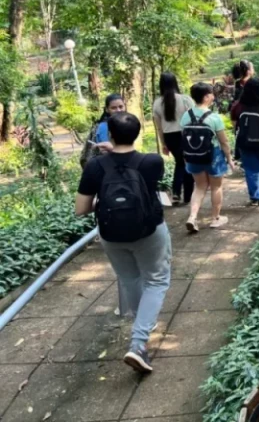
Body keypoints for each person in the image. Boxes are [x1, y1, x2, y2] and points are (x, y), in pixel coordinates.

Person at [75, 112, 169, 374]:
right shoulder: (151, 161)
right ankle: (138, 343)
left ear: (111, 135)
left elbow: (81, 208)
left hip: (111, 234)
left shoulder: (95, 166)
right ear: (138, 133)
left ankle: (141, 330)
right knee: (157, 280)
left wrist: (105, 201)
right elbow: (138, 168)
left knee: (130, 280)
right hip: (148, 231)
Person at [180, 82, 236, 232]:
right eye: (211, 93)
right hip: (213, 156)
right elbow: (224, 141)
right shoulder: (214, 118)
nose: (213, 96)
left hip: (193, 156)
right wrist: (229, 158)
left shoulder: (186, 115)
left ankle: (192, 217)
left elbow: (183, 138)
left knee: (199, 187)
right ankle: (215, 218)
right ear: (206, 97)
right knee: (216, 187)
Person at [153, 73, 195, 205]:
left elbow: (159, 127)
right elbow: (194, 119)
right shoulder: (185, 99)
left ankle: (176, 193)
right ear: (175, 83)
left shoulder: (157, 103)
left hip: (169, 137)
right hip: (186, 134)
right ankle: (187, 196)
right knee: (187, 163)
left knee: (180, 163)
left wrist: (163, 144)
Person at [80, 94, 126, 167]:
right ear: (107, 109)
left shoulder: (125, 124)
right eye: (114, 108)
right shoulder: (104, 127)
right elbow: (107, 152)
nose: (118, 110)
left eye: (121, 107)